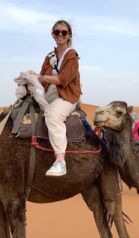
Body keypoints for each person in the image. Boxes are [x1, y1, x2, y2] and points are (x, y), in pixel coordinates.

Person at [28, 20, 81, 176]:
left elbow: (63, 79)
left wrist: (41, 77)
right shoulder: (49, 57)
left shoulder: (71, 55)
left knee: (52, 116)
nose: (60, 35)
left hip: (66, 97)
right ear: (53, 35)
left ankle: (60, 160)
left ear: (69, 35)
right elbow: (41, 79)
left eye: (64, 32)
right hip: (49, 96)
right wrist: (29, 78)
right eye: (57, 32)